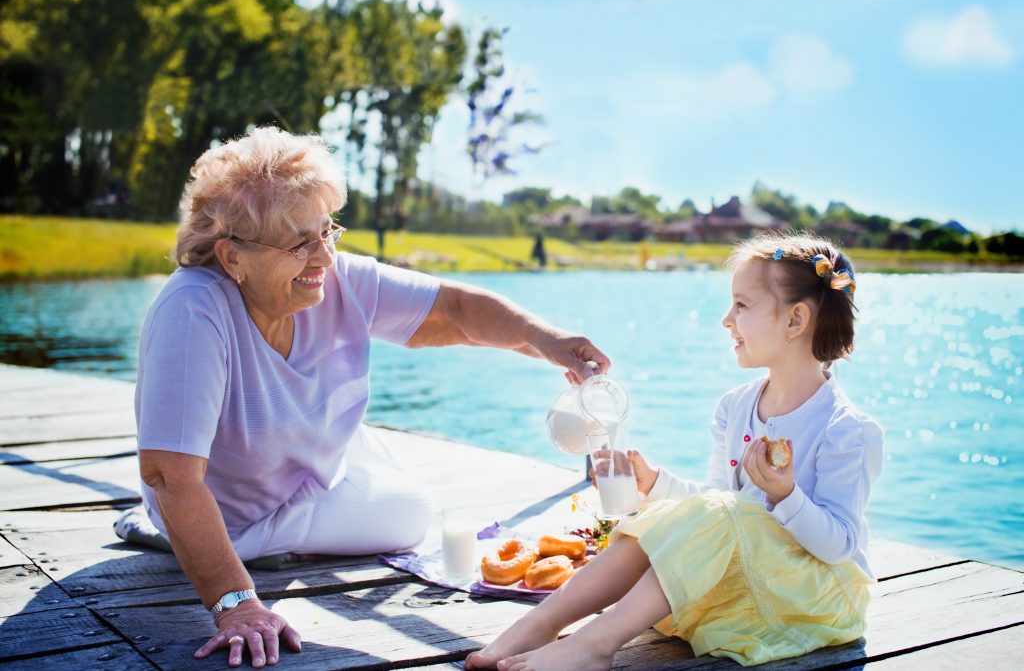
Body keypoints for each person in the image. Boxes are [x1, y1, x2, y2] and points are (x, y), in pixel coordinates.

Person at [132, 126, 610, 668]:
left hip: (300, 467)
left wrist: (549, 342)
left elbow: (453, 310)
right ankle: (177, 534)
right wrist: (236, 604)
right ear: (232, 256)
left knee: (397, 493)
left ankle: (245, 524)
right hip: (235, 513)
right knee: (405, 513)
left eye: (326, 232)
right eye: (297, 244)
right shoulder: (192, 311)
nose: (324, 259)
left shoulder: (330, 279)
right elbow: (171, 476)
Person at [466, 233, 884, 670]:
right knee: (661, 518)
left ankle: (594, 647)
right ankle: (541, 624)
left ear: (795, 320)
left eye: (741, 305)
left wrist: (786, 495)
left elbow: (840, 546)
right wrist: (656, 484)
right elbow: (717, 508)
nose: (726, 319)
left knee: (722, 513)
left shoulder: (846, 430)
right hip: (754, 581)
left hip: (817, 602)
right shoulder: (735, 407)